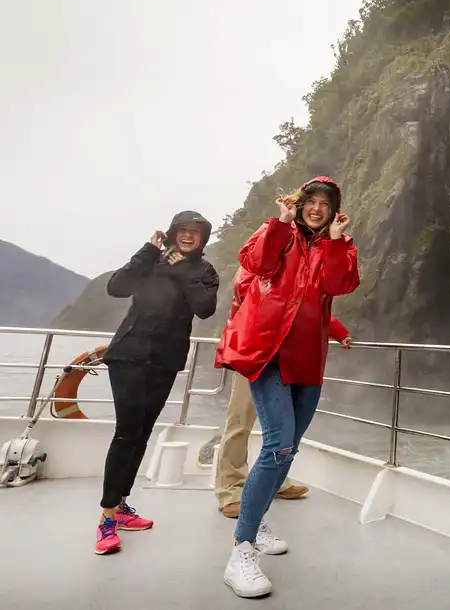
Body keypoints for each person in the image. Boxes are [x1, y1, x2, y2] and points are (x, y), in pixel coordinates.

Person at [214, 176, 359, 598]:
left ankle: (256, 522)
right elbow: (255, 264)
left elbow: (339, 285)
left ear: (334, 211)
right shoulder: (279, 235)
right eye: (310, 201)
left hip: (308, 360)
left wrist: (335, 241)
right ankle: (241, 551)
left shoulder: (338, 244)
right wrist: (279, 223)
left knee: (288, 448)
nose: (317, 208)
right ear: (299, 205)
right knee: (278, 445)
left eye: (325, 204)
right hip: (269, 354)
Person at [95, 211, 220, 556]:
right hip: (129, 355)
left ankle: (120, 506)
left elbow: (205, 308)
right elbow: (117, 286)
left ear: (203, 238)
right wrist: (147, 252)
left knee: (143, 431)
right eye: (183, 230)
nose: (189, 236)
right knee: (127, 431)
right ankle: (107, 518)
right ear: (172, 233)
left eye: (196, 232)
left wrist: (182, 271)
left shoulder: (204, 271)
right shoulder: (151, 260)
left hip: (165, 361)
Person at [214, 264, 354, 518]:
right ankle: (230, 490)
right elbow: (248, 293)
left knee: (281, 429)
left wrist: (338, 332)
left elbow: (306, 306)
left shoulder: (298, 262)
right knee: (240, 422)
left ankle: (275, 481)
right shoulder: (258, 261)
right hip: (254, 355)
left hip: (286, 359)